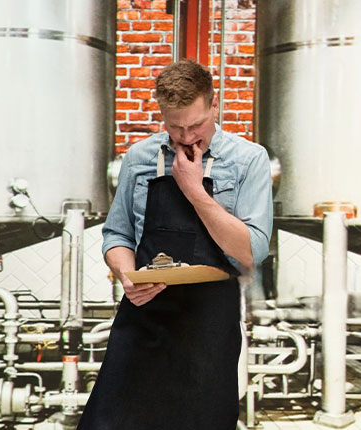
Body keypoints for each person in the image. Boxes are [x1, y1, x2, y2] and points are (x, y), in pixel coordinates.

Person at [77, 59, 272, 430]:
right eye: (174, 126)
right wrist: (125, 275)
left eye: (196, 124)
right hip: (144, 318)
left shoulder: (249, 160)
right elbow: (116, 235)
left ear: (215, 105)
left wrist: (195, 190)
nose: (186, 137)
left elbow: (252, 251)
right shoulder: (138, 159)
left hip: (208, 327)